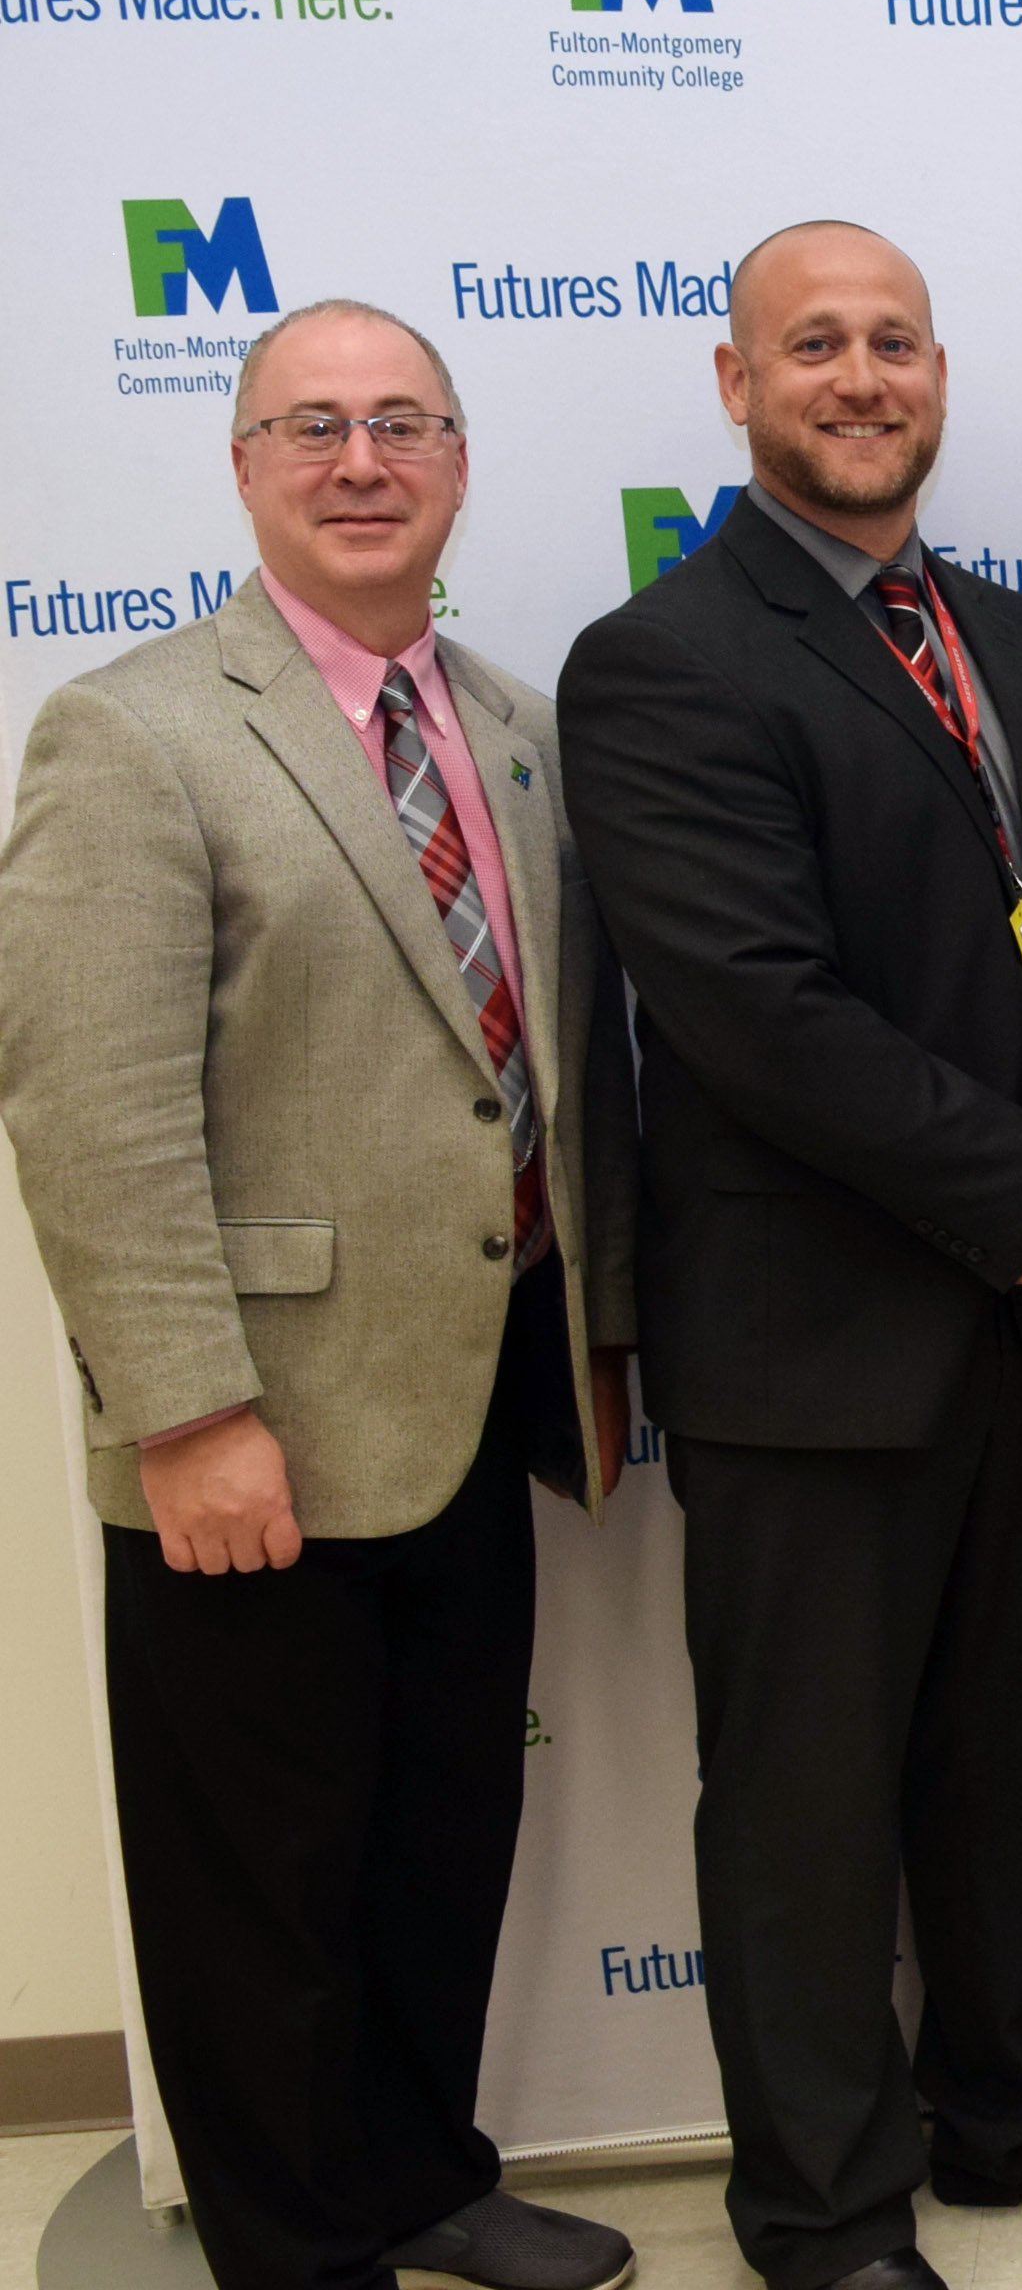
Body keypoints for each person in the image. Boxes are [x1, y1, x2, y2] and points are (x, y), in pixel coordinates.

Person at [557, 222, 1022, 2290]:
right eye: (815, 346)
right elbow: (759, 1011)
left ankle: (1020, 2111)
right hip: (812, 1345)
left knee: (1018, 1756)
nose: (860, 378)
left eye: (894, 344)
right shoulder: (662, 658)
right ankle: (826, 2211)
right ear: (738, 381)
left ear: (941, 374)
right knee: (802, 1814)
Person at [0, 300, 639, 2290]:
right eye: (314, 427)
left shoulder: (517, 723)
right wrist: (183, 1412)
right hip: (252, 1423)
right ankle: (294, 2249)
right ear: (246, 465)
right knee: (257, 1883)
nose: (361, 461)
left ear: (457, 464)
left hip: (478, 1388)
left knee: (439, 1841)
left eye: (401, 425)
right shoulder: (134, 729)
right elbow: (88, 1108)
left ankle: (421, 2176)